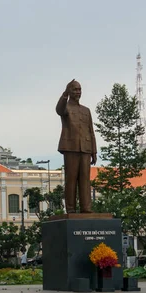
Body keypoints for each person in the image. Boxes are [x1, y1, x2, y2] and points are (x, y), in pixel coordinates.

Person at [56, 79, 97, 213]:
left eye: (79, 89)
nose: (78, 92)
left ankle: (86, 208)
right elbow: (59, 109)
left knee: (85, 180)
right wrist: (64, 95)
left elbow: (91, 131)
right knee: (71, 179)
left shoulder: (86, 110)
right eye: (75, 89)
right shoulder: (66, 107)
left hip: (85, 148)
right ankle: (71, 208)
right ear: (69, 91)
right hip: (71, 147)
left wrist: (94, 151)